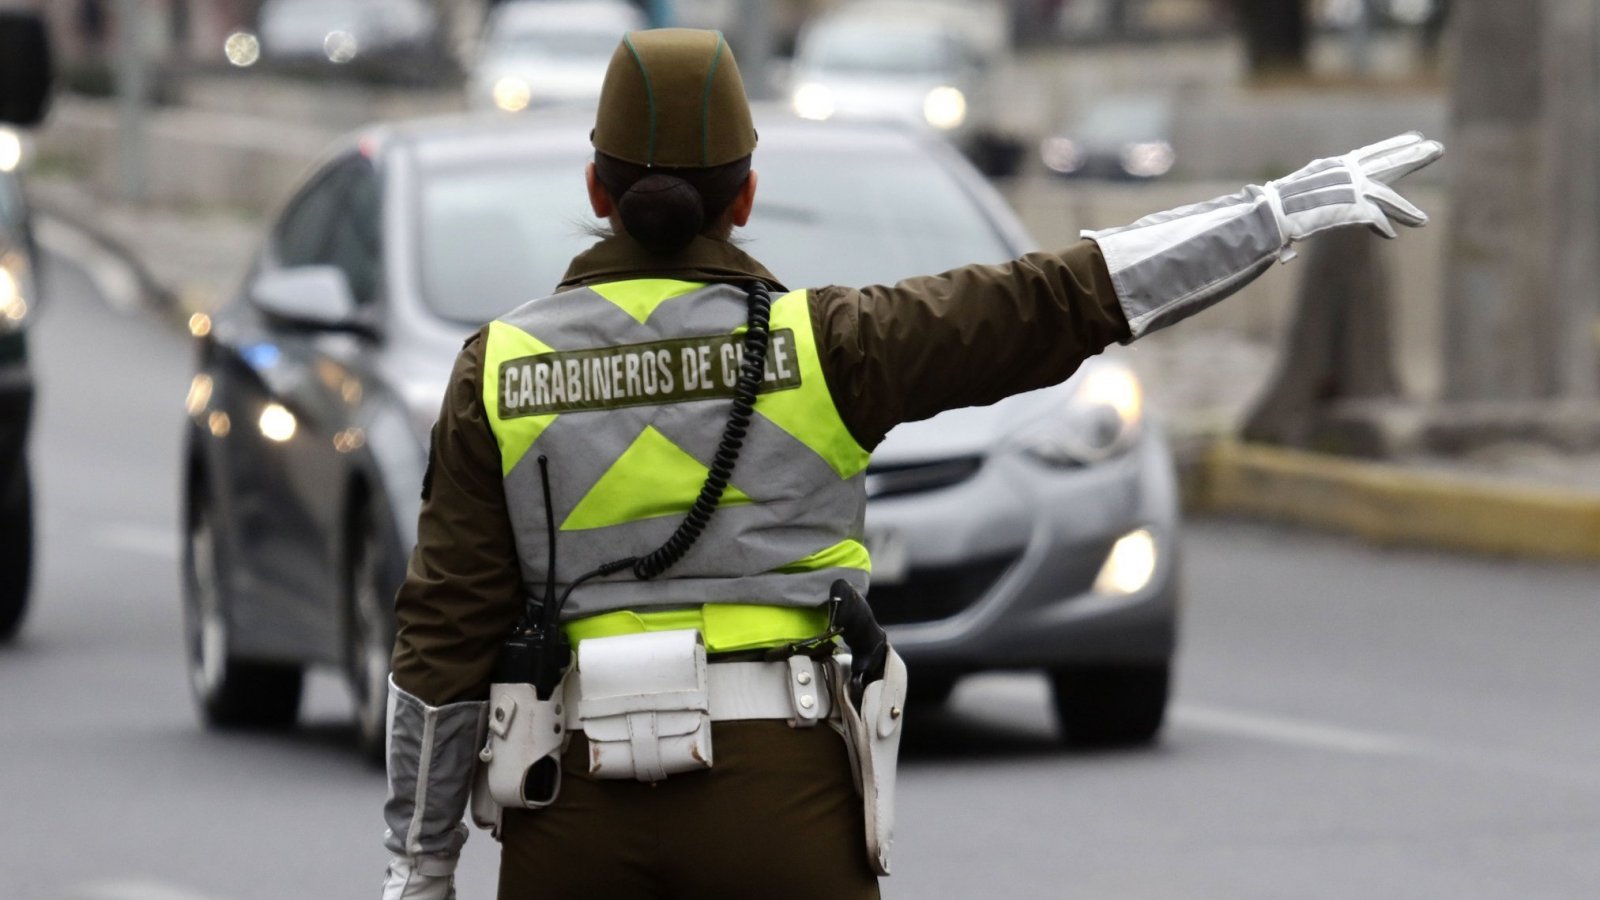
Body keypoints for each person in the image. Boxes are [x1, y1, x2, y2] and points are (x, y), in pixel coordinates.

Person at [380, 28, 1443, 900]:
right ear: (744, 196)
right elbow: (1058, 297)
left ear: (596, 190)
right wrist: (1270, 216)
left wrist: (419, 868)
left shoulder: (500, 370)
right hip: (780, 807)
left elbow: (442, 637)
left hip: (577, 810)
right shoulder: (832, 346)